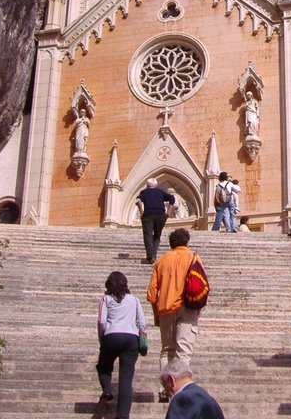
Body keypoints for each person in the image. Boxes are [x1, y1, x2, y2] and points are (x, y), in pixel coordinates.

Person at [147, 228, 205, 401]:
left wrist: (156, 314)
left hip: (165, 309)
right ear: (186, 242)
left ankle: (165, 389)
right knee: (183, 351)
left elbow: (151, 293)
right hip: (188, 308)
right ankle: (180, 391)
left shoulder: (162, 260)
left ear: (171, 244)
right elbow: (201, 285)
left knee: (166, 351)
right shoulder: (194, 257)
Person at [96, 271, 146, 419]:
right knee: (126, 377)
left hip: (111, 335)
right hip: (131, 338)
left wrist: (102, 337)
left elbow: (102, 321)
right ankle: (123, 415)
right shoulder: (134, 299)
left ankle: (107, 390)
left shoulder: (106, 299)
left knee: (104, 366)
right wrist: (141, 333)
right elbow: (142, 322)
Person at [136, 178, 176, 264]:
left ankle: (150, 256)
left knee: (148, 235)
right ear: (156, 185)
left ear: (147, 185)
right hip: (160, 215)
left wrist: (141, 211)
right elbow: (172, 198)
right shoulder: (160, 192)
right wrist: (168, 211)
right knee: (157, 235)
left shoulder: (144, 192)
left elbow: (138, 200)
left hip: (148, 215)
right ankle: (153, 255)